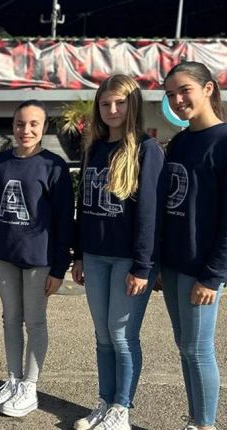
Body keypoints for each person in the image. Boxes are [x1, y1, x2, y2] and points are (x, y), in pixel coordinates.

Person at [70, 75, 165, 430]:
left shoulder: (146, 149)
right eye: (106, 103)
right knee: (102, 336)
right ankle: (104, 401)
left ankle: (121, 409)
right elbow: (84, 206)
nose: (112, 109)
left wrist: (143, 266)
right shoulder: (94, 148)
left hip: (129, 260)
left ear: (133, 105)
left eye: (120, 102)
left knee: (123, 337)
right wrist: (78, 254)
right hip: (95, 257)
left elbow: (149, 214)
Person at [0, 100, 73, 417]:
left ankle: (29, 386)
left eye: (34, 124)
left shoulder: (54, 166)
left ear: (44, 127)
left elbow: (65, 221)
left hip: (39, 259)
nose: (26, 130)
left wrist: (59, 267)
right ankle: (12, 378)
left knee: (34, 322)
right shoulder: (1, 162)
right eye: (21, 124)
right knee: (10, 319)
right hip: (5, 255)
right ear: (13, 126)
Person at [160, 61, 225, 430]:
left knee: (199, 351)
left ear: (208, 89)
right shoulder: (181, 142)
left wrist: (213, 275)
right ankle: (195, 418)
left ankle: (204, 425)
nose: (178, 99)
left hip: (202, 268)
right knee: (185, 347)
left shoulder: (223, 141)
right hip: (173, 264)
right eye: (171, 94)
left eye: (184, 90)